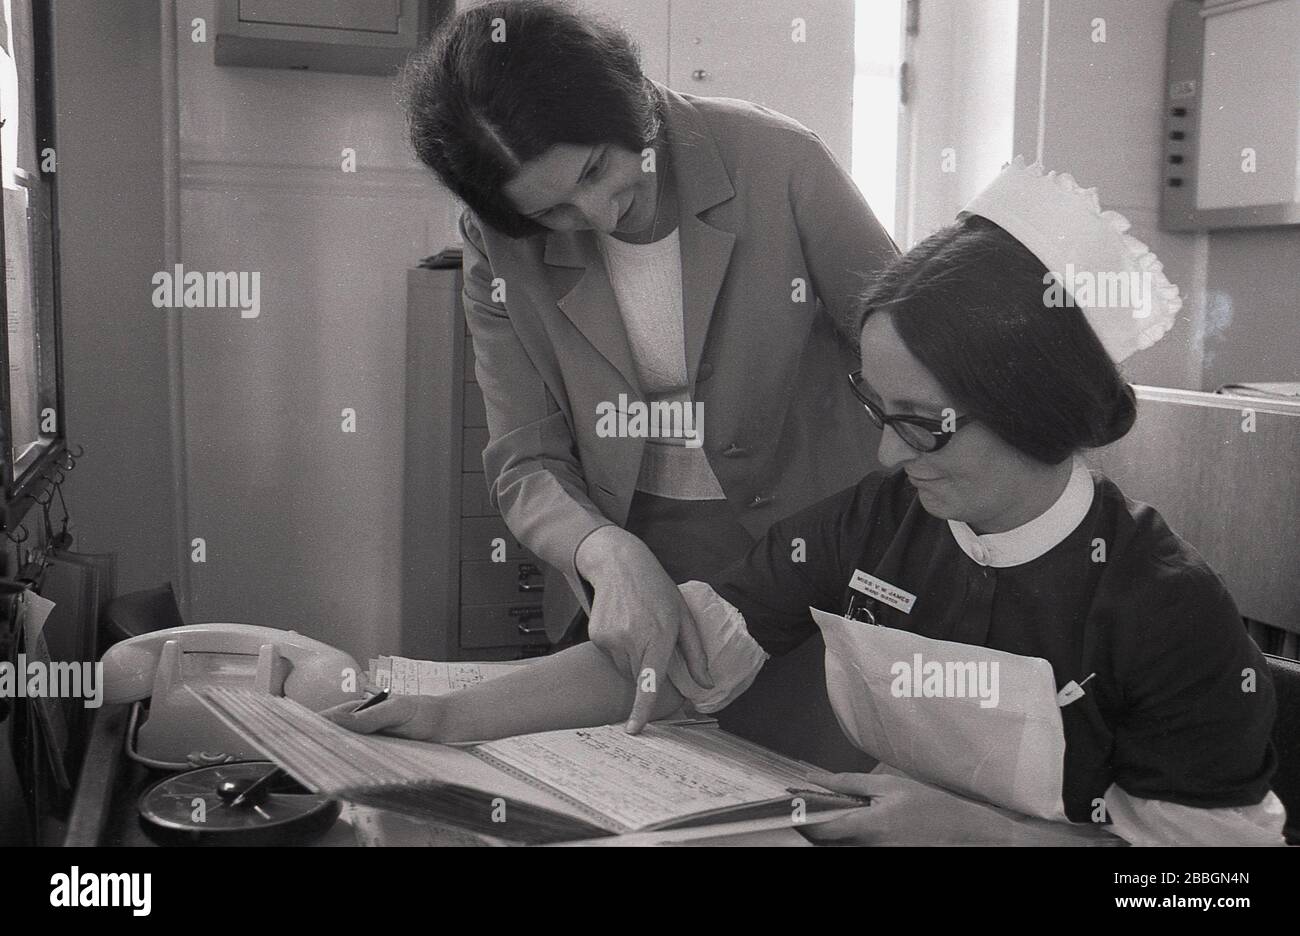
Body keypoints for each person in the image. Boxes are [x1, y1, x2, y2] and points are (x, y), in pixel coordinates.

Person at [331, 159, 1287, 845]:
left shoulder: (1163, 612)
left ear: (1037, 409)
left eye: (922, 422)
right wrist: (445, 720)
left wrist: (985, 837)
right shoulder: (874, 525)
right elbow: (670, 655)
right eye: (876, 407)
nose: (882, 449)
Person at [400, 0, 896, 731]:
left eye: (598, 169)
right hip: (630, 559)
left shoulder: (777, 160)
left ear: (625, 94)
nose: (598, 215)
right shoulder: (496, 244)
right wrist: (601, 550)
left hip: (811, 552)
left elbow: (908, 352)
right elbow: (525, 455)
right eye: (553, 212)